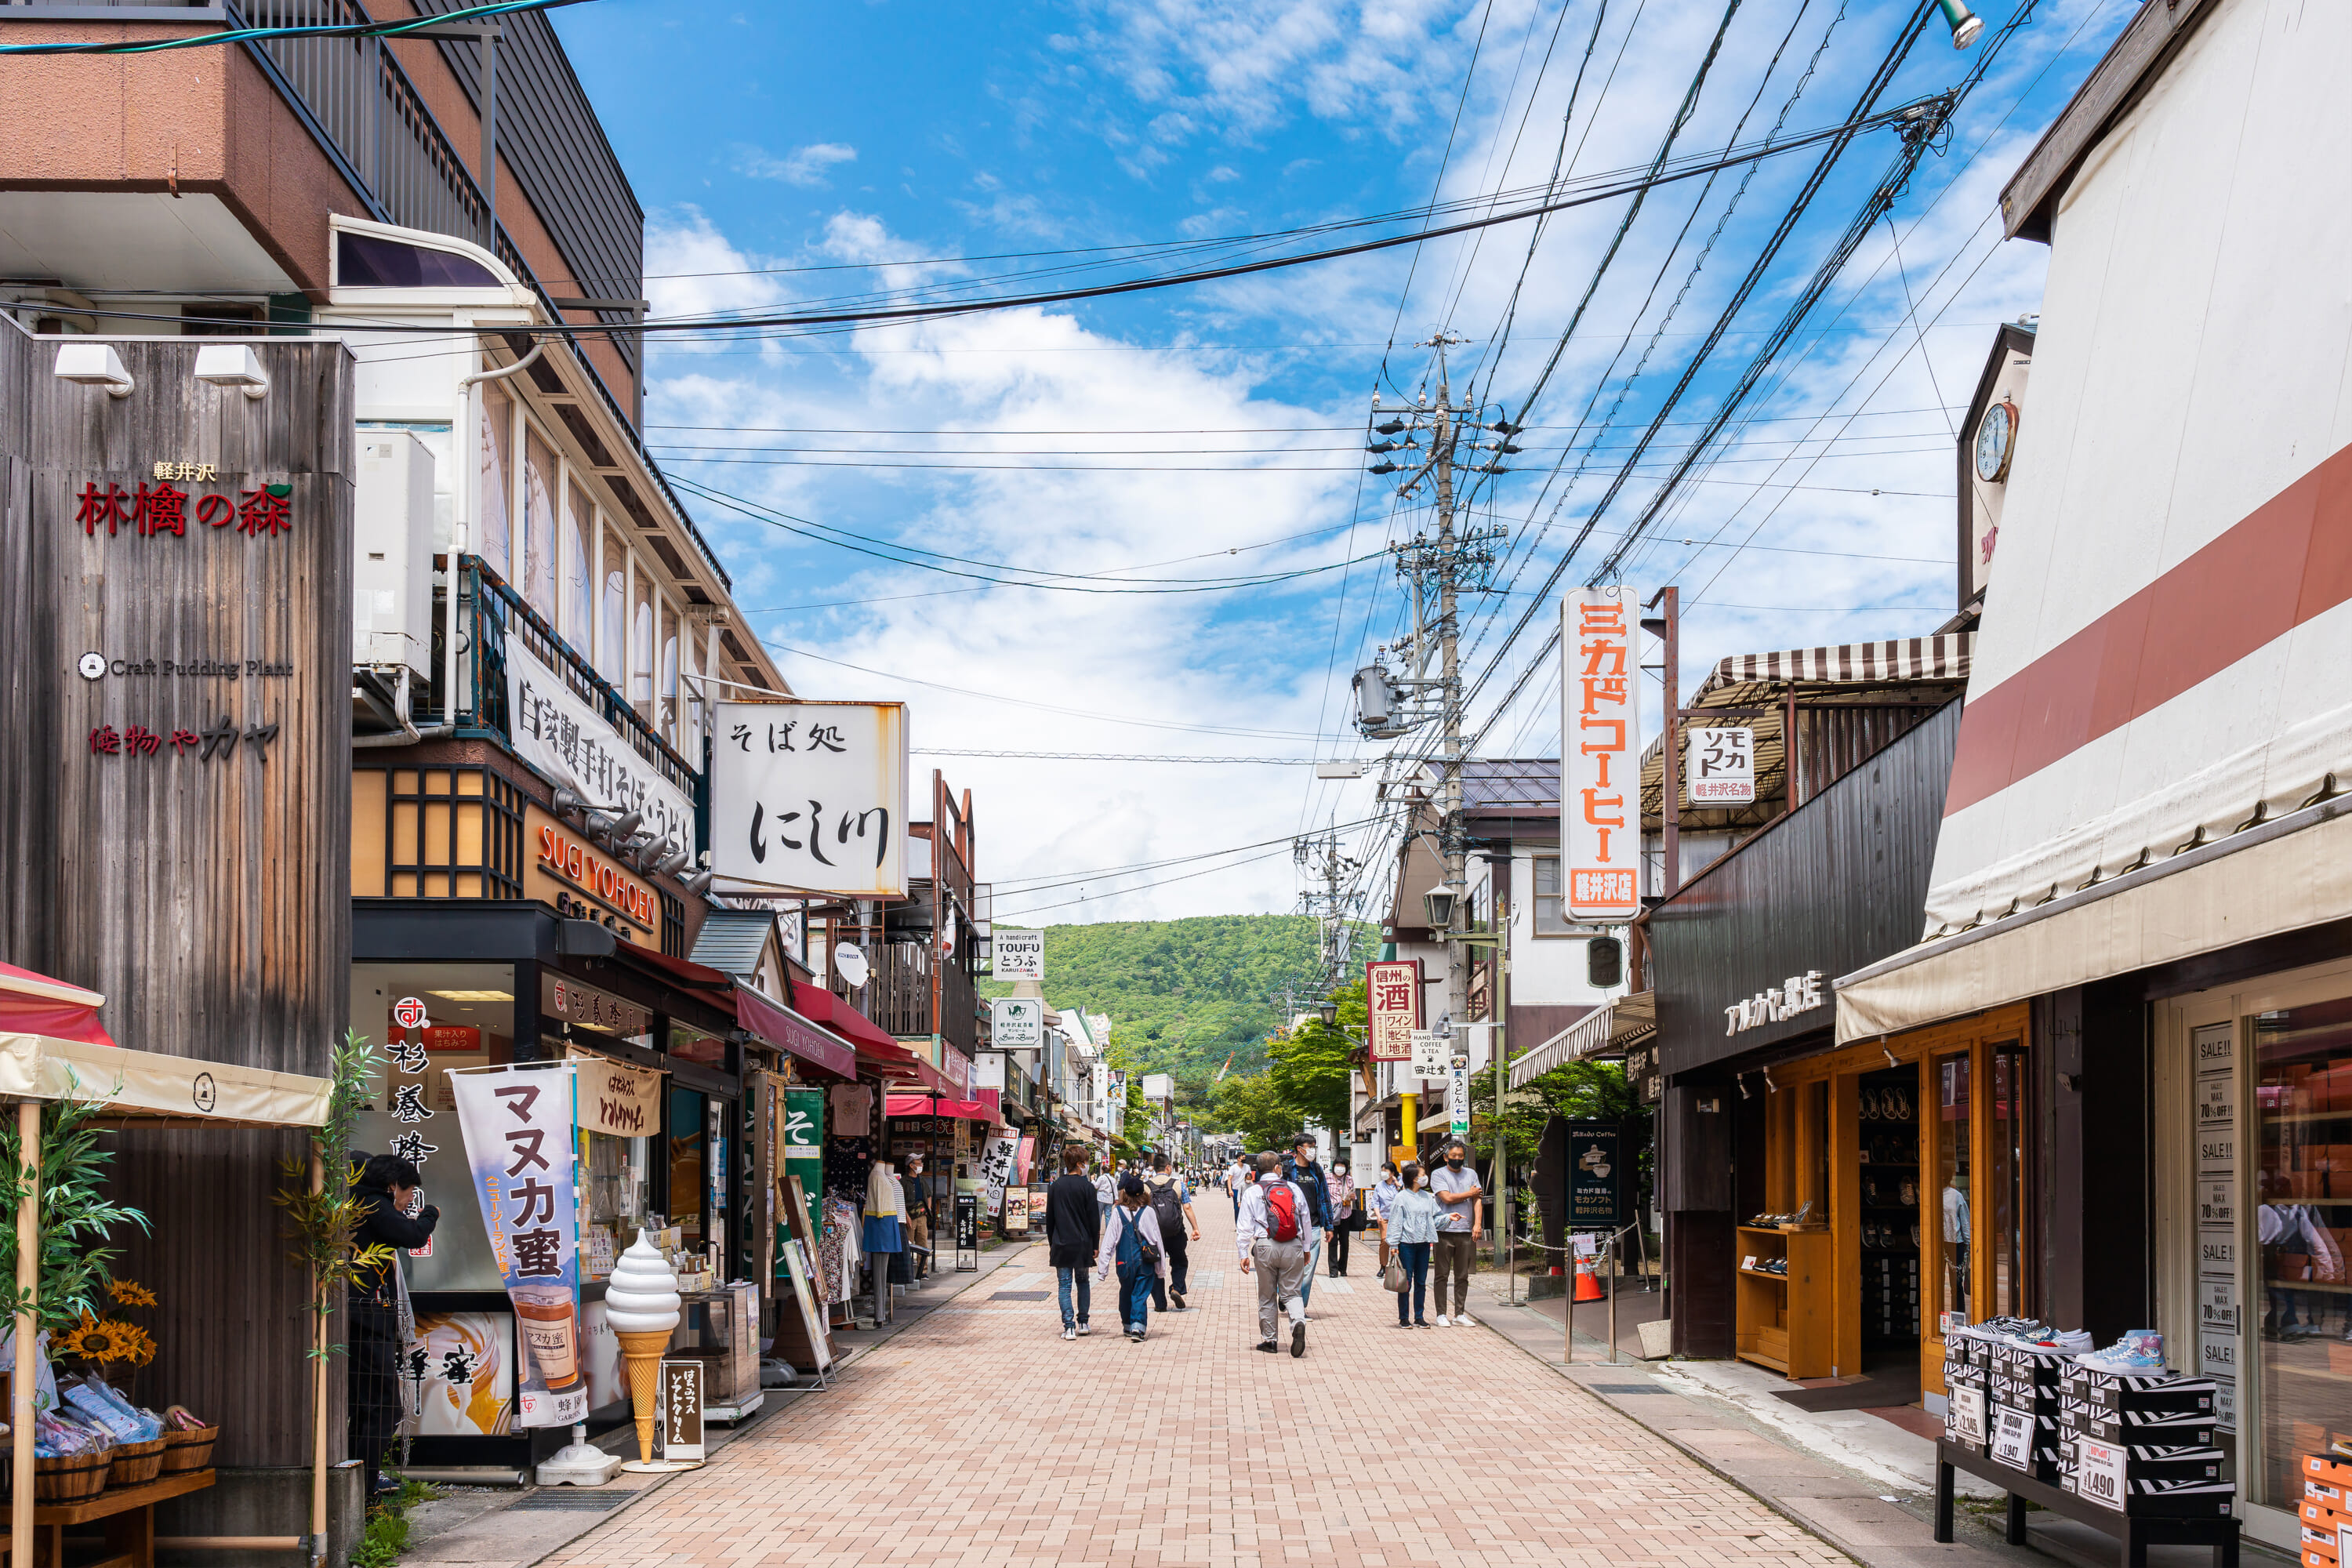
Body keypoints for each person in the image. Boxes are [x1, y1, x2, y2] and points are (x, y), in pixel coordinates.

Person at [349, 1152, 438, 1497]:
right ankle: (366, 1485)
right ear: (392, 1186)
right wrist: (431, 1214)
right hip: (368, 1320)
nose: (409, 1200)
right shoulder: (374, 1203)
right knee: (384, 1406)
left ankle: (360, 1481)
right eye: (409, 1191)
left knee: (366, 1407)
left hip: (361, 1317)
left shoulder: (357, 1201)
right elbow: (413, 1235)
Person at [1236, 1149, 1317, 1357]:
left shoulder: (1252, 1192)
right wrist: (1306, 1248)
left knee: (1267, 1295)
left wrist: (1243, 1253)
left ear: (1258, 1170)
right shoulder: (1293, 1188)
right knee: (1292, 1292)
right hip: (1293, 1245)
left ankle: (1270, 1340)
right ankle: (1297, 1321)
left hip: (1265, 1246)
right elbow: (1305, 1220)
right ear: (1277, 1168)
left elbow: (1244, 1226)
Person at [1098, 1174, 1169, 1341]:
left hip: (1123, 1260)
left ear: (1125, 1193)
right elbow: (1157, 1240)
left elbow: (1109, 1241)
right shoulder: (1148, 1211)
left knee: (1126, 1291)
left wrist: (1103, 1269)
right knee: (1140, 1293)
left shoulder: (1117, 1212)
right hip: (1145, 1260)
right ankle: (1138, 1327)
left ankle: (1128, 1324)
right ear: (1143, 1194)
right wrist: (1161, 1270)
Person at [1045, 1146, 1102, 1339]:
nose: (1087, 1165)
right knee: (1083, 1282)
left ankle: (1069, 1327)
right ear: (1079, 1164)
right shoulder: (1087, 1187)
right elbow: (1094, 1219)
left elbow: (1050, 1218)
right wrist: (1095, 1244)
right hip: (1083, 1243)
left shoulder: (1056, 1186)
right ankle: (1083, 1322)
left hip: (1061, 1243)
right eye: (1086, 1162)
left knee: (1064, 1285)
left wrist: (1052, 1243)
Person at [1430, 1138, 1483, 1327]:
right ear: (1446, 1157)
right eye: (1454, 1156)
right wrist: (1469, 1194)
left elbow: (1478, 1200)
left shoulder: (1471, 1174)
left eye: (1460, 1156)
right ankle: (1441, 1314)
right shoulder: (1438, 1174)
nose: (1457, 1159)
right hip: (1443, 1230)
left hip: (1466, 1230)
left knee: (1462, 1275)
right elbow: (1447, 1198)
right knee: (1441, 1275)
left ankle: (1459, 1313)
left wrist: (1477, 1224)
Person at [1281, 1134, 1334, 1313]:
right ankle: (1285, 1294)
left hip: (1314, 1226)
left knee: (1308, 1269)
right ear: (1299, 1148)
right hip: (1291, 1226)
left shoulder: (1316, 1170)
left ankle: (1299, 1307)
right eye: (1309, 1146)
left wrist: (1329, 1226)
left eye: (1314, 1146)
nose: (1312, 1150)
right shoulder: (1288, 1169)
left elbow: (1325, 1197)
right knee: (1289, 1267)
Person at [1385, 1161, 1440, 1328]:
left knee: (1421, 1282)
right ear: (1414, 1178)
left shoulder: (1427, 1197)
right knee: (1406, 1281)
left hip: (1424, 1243)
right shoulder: (1401, 1198)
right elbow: (1395, 1222)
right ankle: (1404, 1318)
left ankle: (1419, 1316)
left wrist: (1449, 1218)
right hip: (1406, 1244)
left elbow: (1436, 1217)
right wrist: (1394, 1245)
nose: (1425, 1178)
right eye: (1422, 1175)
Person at [1144, 1154, 1201, 1312]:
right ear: (1168, 1167)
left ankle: (1160, 1303)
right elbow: (1187, 1207)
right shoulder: (1178, 1184)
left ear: (1154, 1168)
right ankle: (1176, 1287)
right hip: (1176, 1232)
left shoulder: (1146, 1187)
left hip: (1153, 1234)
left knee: (1155, 1266)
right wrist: (1195, 1228)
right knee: (1180, 1261)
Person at [1368, 1160, 1403, 1275]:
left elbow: (1406, 1195)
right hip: (1385, 1217)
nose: (1383, 1174)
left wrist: (1398, 1184)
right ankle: (1383, 1265)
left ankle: (1398, 1266)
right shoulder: (1380, 1186)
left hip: (1399, 1217)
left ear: (1392, 1173)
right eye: (1382, 1171)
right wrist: (1378, 1215)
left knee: (1399, 1241)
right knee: (1384, 1240)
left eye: (1385, 1171)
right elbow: (1375, 1202)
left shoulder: (1400, 1183)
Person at [1325, 1156, 1357, 1276]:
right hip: (1333, 1215)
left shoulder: (1349, 1179)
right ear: (1333, 1167)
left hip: (1346, 1214)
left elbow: (1354, 1194)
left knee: (1345, 1242)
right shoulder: (1327, 1178)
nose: (1340, 1168)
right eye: (1337, 1165)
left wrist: (1353, 1197)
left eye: (1342, 1166)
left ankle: (1342, 1268)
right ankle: (1333, 1270)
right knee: (1332, 1242)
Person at [1094, 1157, 1118, 1231]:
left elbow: (1096, 1186)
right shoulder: (1113, 1179)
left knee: (1099, 1215)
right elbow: (1115, 1190)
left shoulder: (1101, 1178)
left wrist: (1092, 1180)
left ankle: (1098, 1230)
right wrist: (1116, 1199)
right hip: (1109, 1199)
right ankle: (1108, 1231)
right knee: (1108, 1216)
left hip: (1100, 1198)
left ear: (1102, 1170)